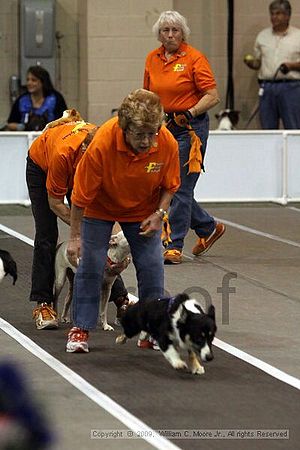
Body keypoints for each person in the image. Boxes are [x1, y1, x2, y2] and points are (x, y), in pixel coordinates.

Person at [65, 88, 180, 353]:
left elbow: (171, 185)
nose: (147, 142)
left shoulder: (166, 143)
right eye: (140, 135)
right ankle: (80, 328)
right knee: (91, 263)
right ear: (124, 128)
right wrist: (74, 238)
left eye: (153, 134)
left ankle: (152, 328)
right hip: (100, 206)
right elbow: (80, 198)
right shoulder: (103, 143)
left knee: (152, 266)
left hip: (143, 210)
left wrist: (159, 214)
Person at [143, 10, 225, 265]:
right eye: (165, 30)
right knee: (161, 185)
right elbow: (147, 94)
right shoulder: (152, 59)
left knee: (178, 187)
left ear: (183, 33)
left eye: (175, 30)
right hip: (163, 126)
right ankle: (208, 227)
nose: (170, 35)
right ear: (159, 34)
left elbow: (212, 95)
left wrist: (189, 113)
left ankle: (173, 244)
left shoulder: (194, 58)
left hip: (191, 128)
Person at [244, 0, 300, 129]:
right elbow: (258, 63)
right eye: (272, 14)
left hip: (291, 87)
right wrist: (251, 63)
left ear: (288, 15)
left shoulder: (298, 36)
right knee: (267, 128)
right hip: (267, 87)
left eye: (279, 13)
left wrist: (291, 66)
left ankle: (295, 149)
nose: (274, 17)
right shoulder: (262, 36)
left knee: (293, 127)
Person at [6, 65, 67, 131]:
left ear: (43, 82)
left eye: (33, 80)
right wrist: (20, 127)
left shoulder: (56, 98)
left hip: (51, 138)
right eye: (28, 80)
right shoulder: (21, 100)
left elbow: (66, 122)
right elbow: (10, 123)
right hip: (26, 138)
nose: (29, 83)